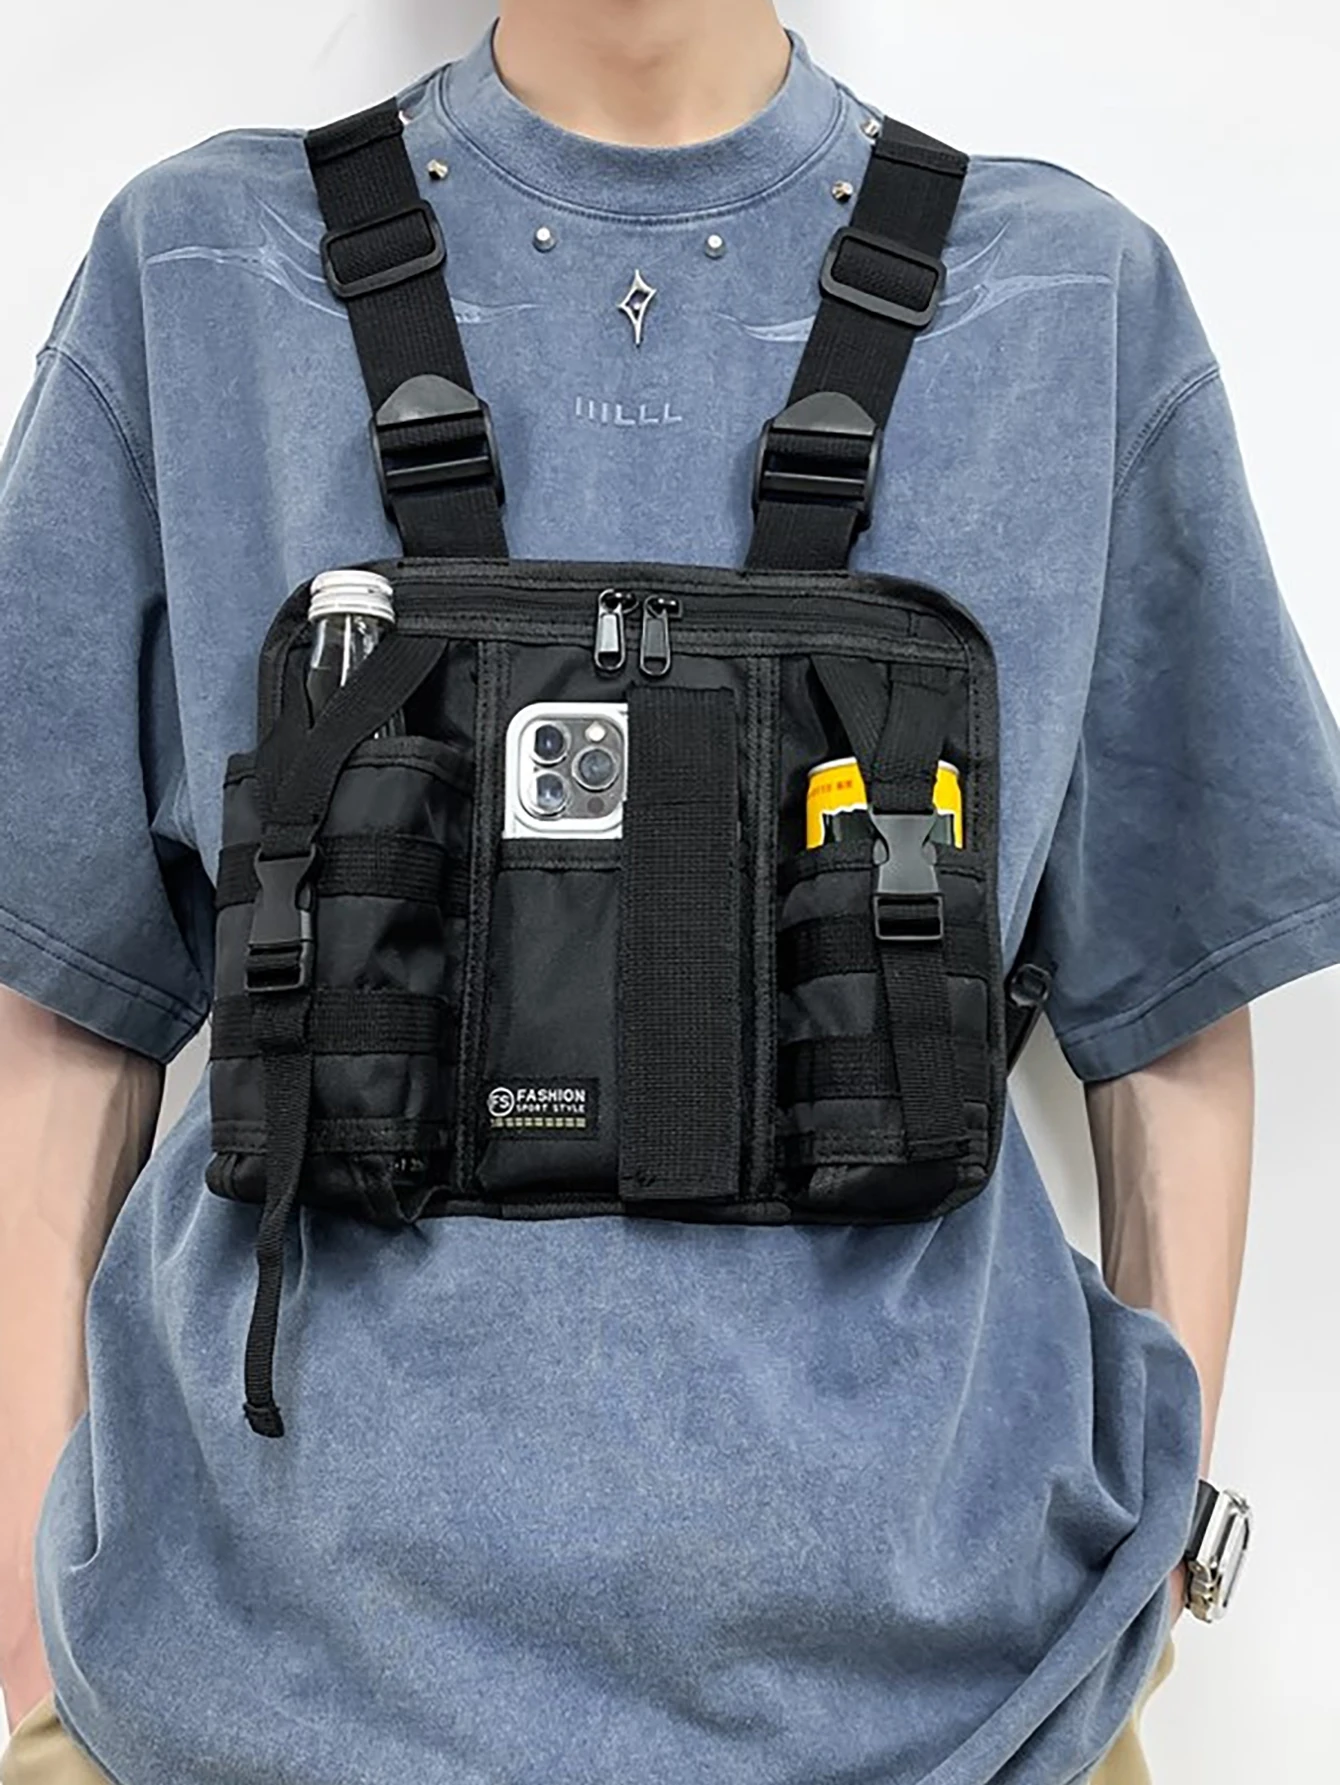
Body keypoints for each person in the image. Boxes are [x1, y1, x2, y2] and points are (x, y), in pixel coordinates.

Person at [1, 2, 1337, 1781]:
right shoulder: (196, 272)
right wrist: (27, 1622)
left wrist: (1158, 1562)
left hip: (972, 1719)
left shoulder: (1068, 300)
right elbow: (68, 1003)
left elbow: (1168, 1010)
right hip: (230, 1707)